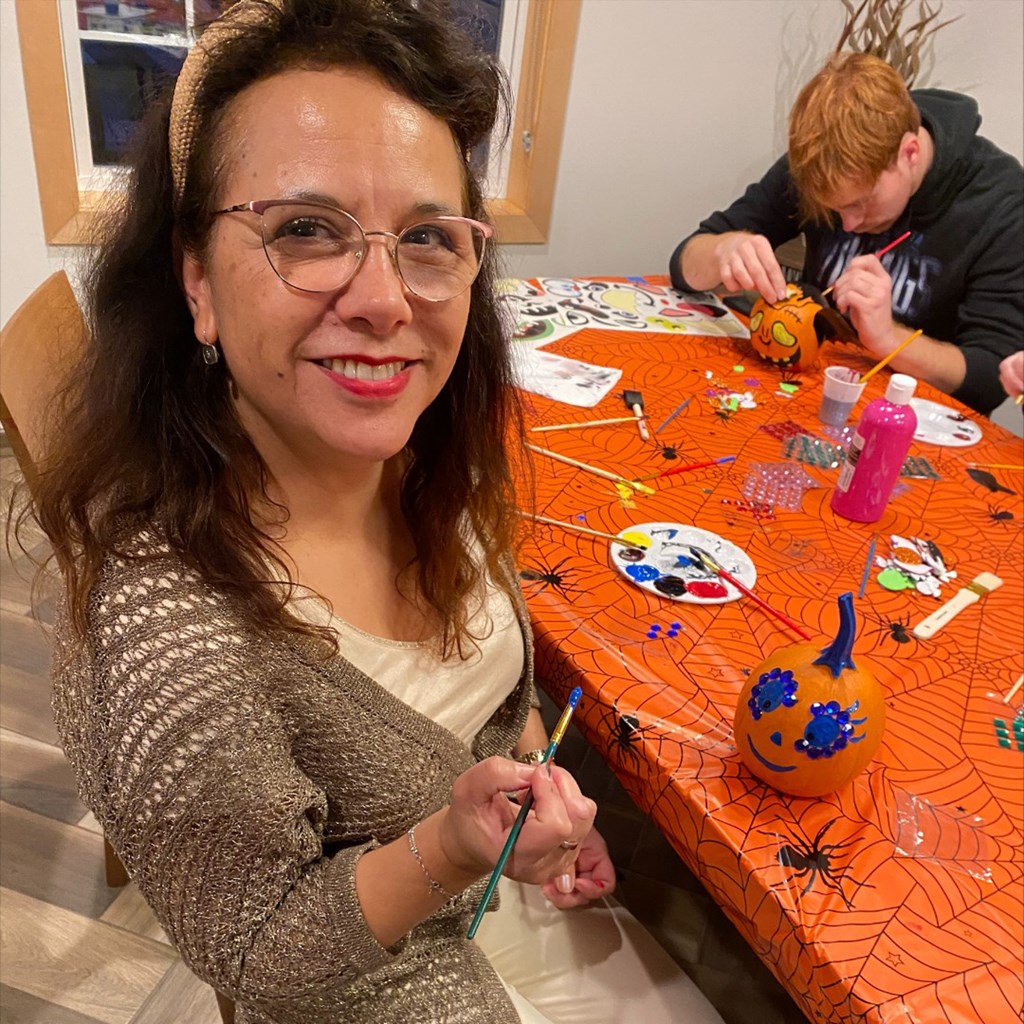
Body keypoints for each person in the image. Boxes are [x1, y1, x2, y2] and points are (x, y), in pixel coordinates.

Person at [30, 2, 724, 1022]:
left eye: (426, 236)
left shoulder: (425, 459)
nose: (386, 299)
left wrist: (535, 791)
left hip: (490, 890)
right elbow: (256, 947)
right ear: (197, 284)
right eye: (304, 230)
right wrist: (449, 845)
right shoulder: (171, 632)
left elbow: (494, 696)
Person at [671, 52, 1024, 418]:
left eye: (862, 202)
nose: (849, 224)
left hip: (915, 421)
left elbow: (989, 377)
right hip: (808, 395)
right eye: (833, 209)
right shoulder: (823, 159)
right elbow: (684, 263)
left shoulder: (1002, 204)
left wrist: (887, 338)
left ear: (910, 153)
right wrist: (723, 251)